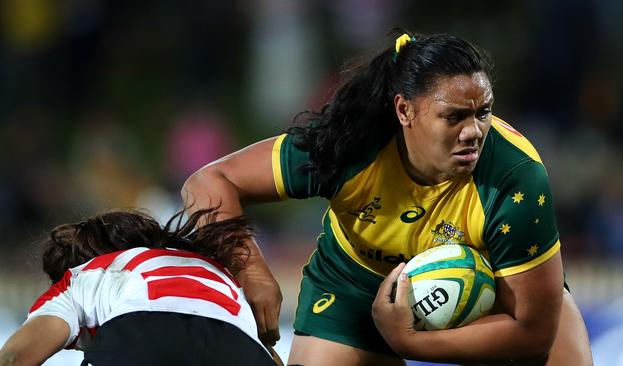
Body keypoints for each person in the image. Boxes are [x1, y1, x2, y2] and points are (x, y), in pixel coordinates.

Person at [181, 31, 593, 365]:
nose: (474, 131)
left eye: (482, 112)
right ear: (404, 111)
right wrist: (251, 272)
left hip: (488, 289)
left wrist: (410, 342)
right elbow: (208, 182)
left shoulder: (516, 177)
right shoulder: (349, 143)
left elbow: (533, 333)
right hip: (354, 290)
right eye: (453, 117)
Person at [0, 208, 281, 366]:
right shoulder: (216, 275)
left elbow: (15, 358)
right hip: (241, 351)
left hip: (141, 339)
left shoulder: (87, 274)